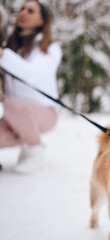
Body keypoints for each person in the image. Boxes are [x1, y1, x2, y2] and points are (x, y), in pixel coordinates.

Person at [0, 0, 62, 173]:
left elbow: (32, 75)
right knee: (10, 105)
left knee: (12, 103)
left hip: (45, 114)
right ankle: (27, 141)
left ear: (42, 20)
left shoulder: (50, 48)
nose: (23, 13)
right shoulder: (12, 48)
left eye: (30, 10)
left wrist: (3, 55)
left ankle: (35, 151)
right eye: (22, 9)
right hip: (14, 115)